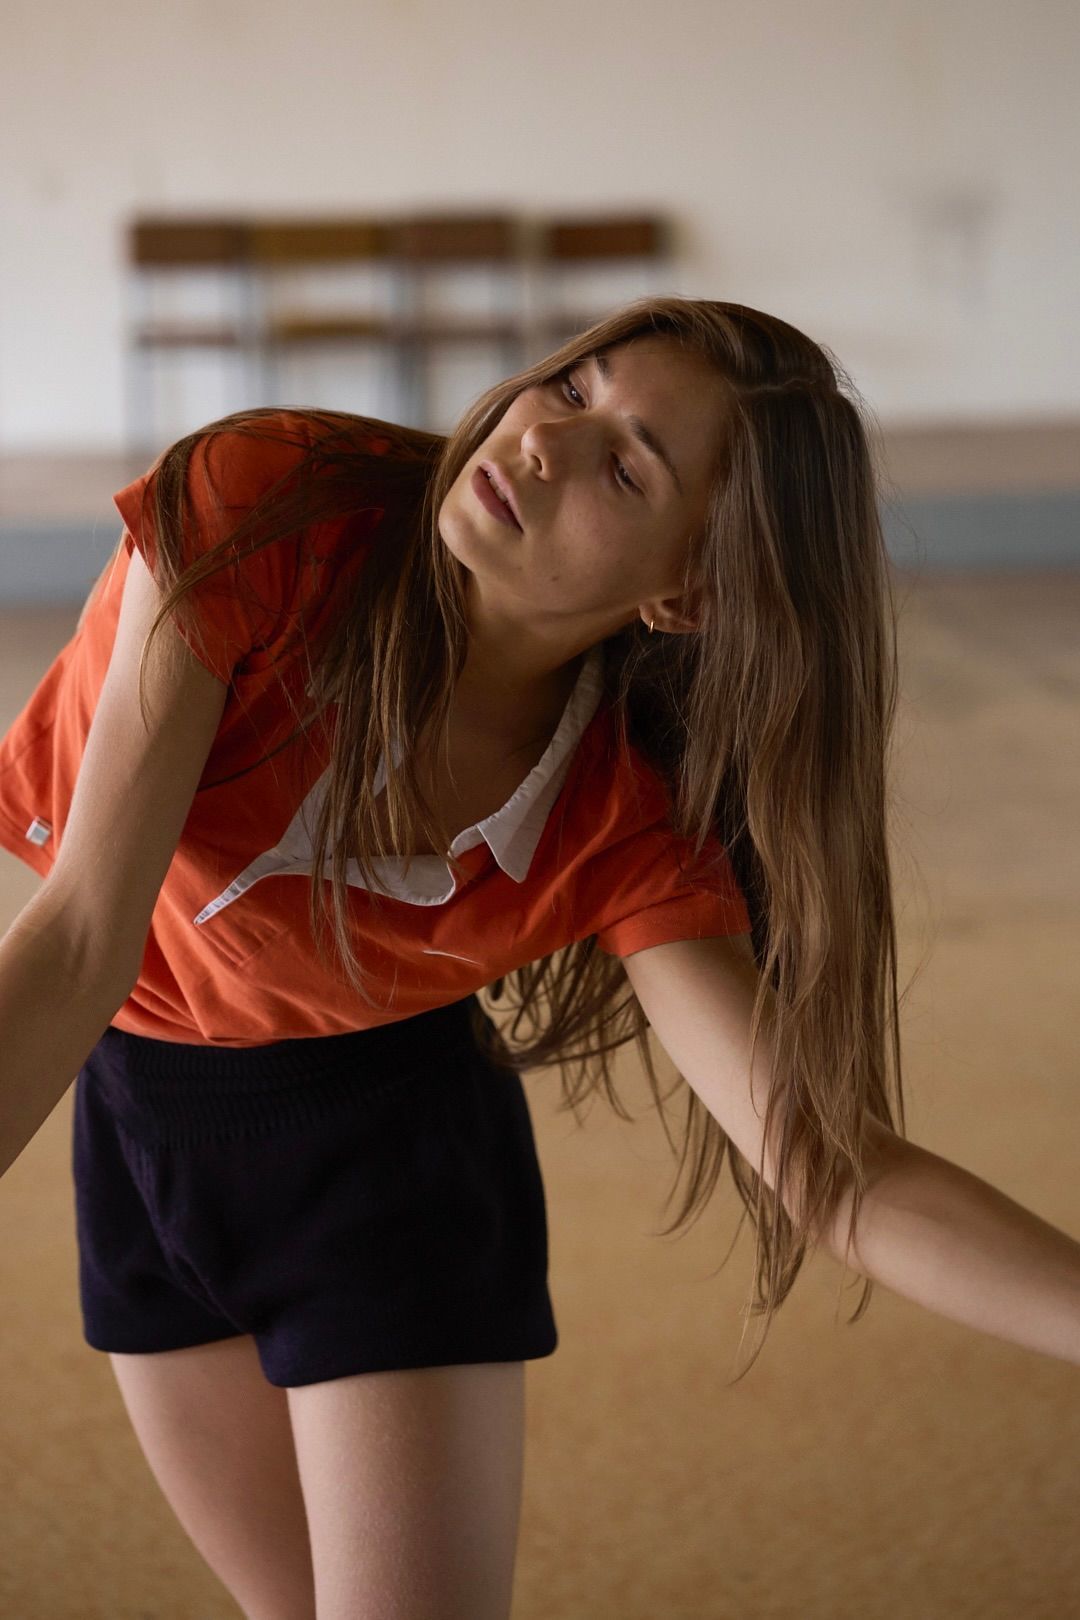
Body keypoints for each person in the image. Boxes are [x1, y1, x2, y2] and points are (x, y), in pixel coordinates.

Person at [0, 294, 1076, 1620]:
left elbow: (829, 1174)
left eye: (627, 465)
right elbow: (78, 944)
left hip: (383, 1171)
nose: (542, 446)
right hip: (138, 1122)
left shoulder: (621, 823)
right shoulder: (263, 510)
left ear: (685, 592)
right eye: (572, 391)